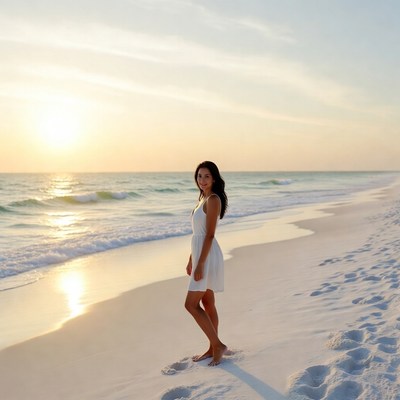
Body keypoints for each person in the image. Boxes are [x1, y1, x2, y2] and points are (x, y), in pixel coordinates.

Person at [184, 161, 228, 366]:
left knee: (190, 304)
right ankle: (212, 347)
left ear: (214, 179)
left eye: (206, 176)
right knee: (207, 303)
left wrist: (201, 263)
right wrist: (191, 259)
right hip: (201, 254)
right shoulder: (201, 199)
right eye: (199, 176)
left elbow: (209, 235)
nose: (202, 180)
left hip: (208, 256)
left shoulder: (213, 199)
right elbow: (198, 235)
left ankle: (217, 345)